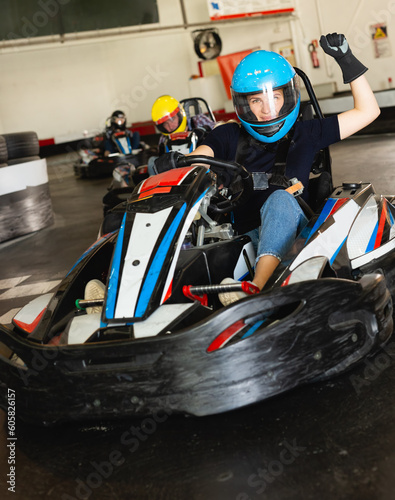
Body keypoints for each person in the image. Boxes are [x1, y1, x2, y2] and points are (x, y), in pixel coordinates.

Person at [153, 33, 380, 306]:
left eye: (274, 97)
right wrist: (184, 166)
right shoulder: (227, 136)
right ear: (243, 104)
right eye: (256, 101)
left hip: (298, 237)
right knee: (192, 234)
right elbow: (201, 158)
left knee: (280, 199)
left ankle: (255, 288)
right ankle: (140, 295)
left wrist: (346, 59)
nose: (266, 110)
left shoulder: (306, 133)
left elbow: (368, 111)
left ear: (288, 95)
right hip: (242, 239)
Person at [148, 95, 215, 175]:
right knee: (152, 161)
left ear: (180, 113)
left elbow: (221, 130)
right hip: (175, 174)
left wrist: (205, 130)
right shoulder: (163, 139)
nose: (170, 126)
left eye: (172, 119)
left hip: (201, 167)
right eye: (165, 124)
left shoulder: (198, 120)